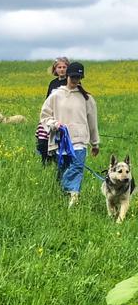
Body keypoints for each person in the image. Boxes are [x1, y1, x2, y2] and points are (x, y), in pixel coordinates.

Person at [40, 60, 99, 206]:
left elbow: (93, 122)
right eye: (72, 77)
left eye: (78, 78)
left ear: (81, 78)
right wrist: (55, 124)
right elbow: (44, 117)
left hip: (80, 141)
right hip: (61, 140)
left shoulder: (87, 98)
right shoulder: (55, 95)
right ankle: (64, 193)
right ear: (67, 76)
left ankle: (74, 196)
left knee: (77, 167)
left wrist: (95, 143)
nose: (75, 80)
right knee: (63, 169)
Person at [37, 56, 69, 166]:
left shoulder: (71, 82)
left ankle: (58, 162)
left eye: (64, 67)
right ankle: (45, 162)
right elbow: (47, 101)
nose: (62, 69)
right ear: (55, 69)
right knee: (42, 138)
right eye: (59, 67)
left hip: (63, 116)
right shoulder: (52, 83)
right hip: (51, 115)